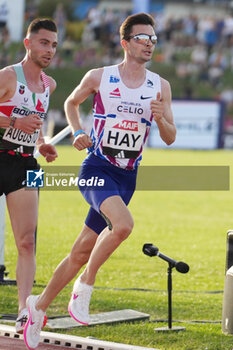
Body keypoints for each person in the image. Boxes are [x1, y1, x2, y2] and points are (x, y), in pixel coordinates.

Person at [23, 13, 176, 350]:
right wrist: (78, 131)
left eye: (153, 38)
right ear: (125, 43)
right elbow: (70, 102)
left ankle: (38, 307)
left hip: (128, 176)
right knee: (122, 226)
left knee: (80, 250)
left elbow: (169, 136)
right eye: (142, 38)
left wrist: (162, 117)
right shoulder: (100, 77)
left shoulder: (159, 85)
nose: (149, 43)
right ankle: (85, 287)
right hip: (96, 168)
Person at [0, 18, 58, 334]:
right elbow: (17, 121)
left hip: (28, 166)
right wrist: (12, 124)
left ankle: (24, 309)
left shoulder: (50, 85)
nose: (49, 50)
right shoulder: (8, 77)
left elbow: (35, 124)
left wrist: (42, 143)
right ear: (28, 43)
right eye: (43, 42)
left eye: (53, 45)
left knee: (27, 240)